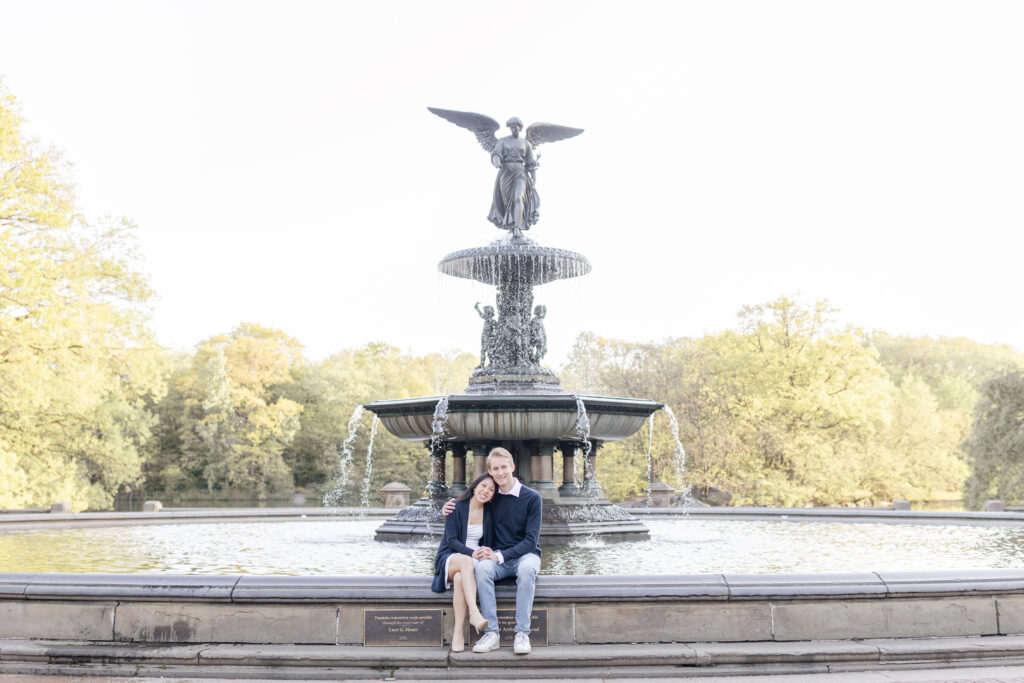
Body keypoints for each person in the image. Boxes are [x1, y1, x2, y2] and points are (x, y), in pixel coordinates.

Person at [444, 447, 542, 655]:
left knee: (526, 570)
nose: (500, 472)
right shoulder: (491, 497)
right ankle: (492, 633)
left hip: (526, 555)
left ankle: (522, 633)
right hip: (497, 558)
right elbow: (467, 505)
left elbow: (531, 541)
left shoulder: (532, 498)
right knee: (481, 569)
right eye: (495, 469)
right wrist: (446, 508)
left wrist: (500, 555)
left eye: (504, 467)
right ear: (490, 471)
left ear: (512, 467)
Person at [431, 473, 495, 652]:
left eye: (491, 490)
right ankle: (474, 613)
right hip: (450, 557)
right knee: (465, 563)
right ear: (474, 487)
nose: (486, 491)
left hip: (471, 561)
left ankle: (458, 633)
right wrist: (473, 553)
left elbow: (489, 541)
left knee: (460, 578)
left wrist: (484, 552)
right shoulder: (455, 506)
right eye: (483, 486)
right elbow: (452, 541)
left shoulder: (489, 513)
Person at [487, 117, 540, 238]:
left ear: (520, 128)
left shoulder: (526, 144)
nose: (513, 130)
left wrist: (534, 177)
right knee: (507, 204)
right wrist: (496, 160)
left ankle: (517, 228)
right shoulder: (502, 141)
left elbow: (530, 162)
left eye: (515, 127)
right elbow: (496, 153)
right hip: (505, 173)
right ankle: (511, 226)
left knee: (518, 198)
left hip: (520, 173)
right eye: (511, 128)